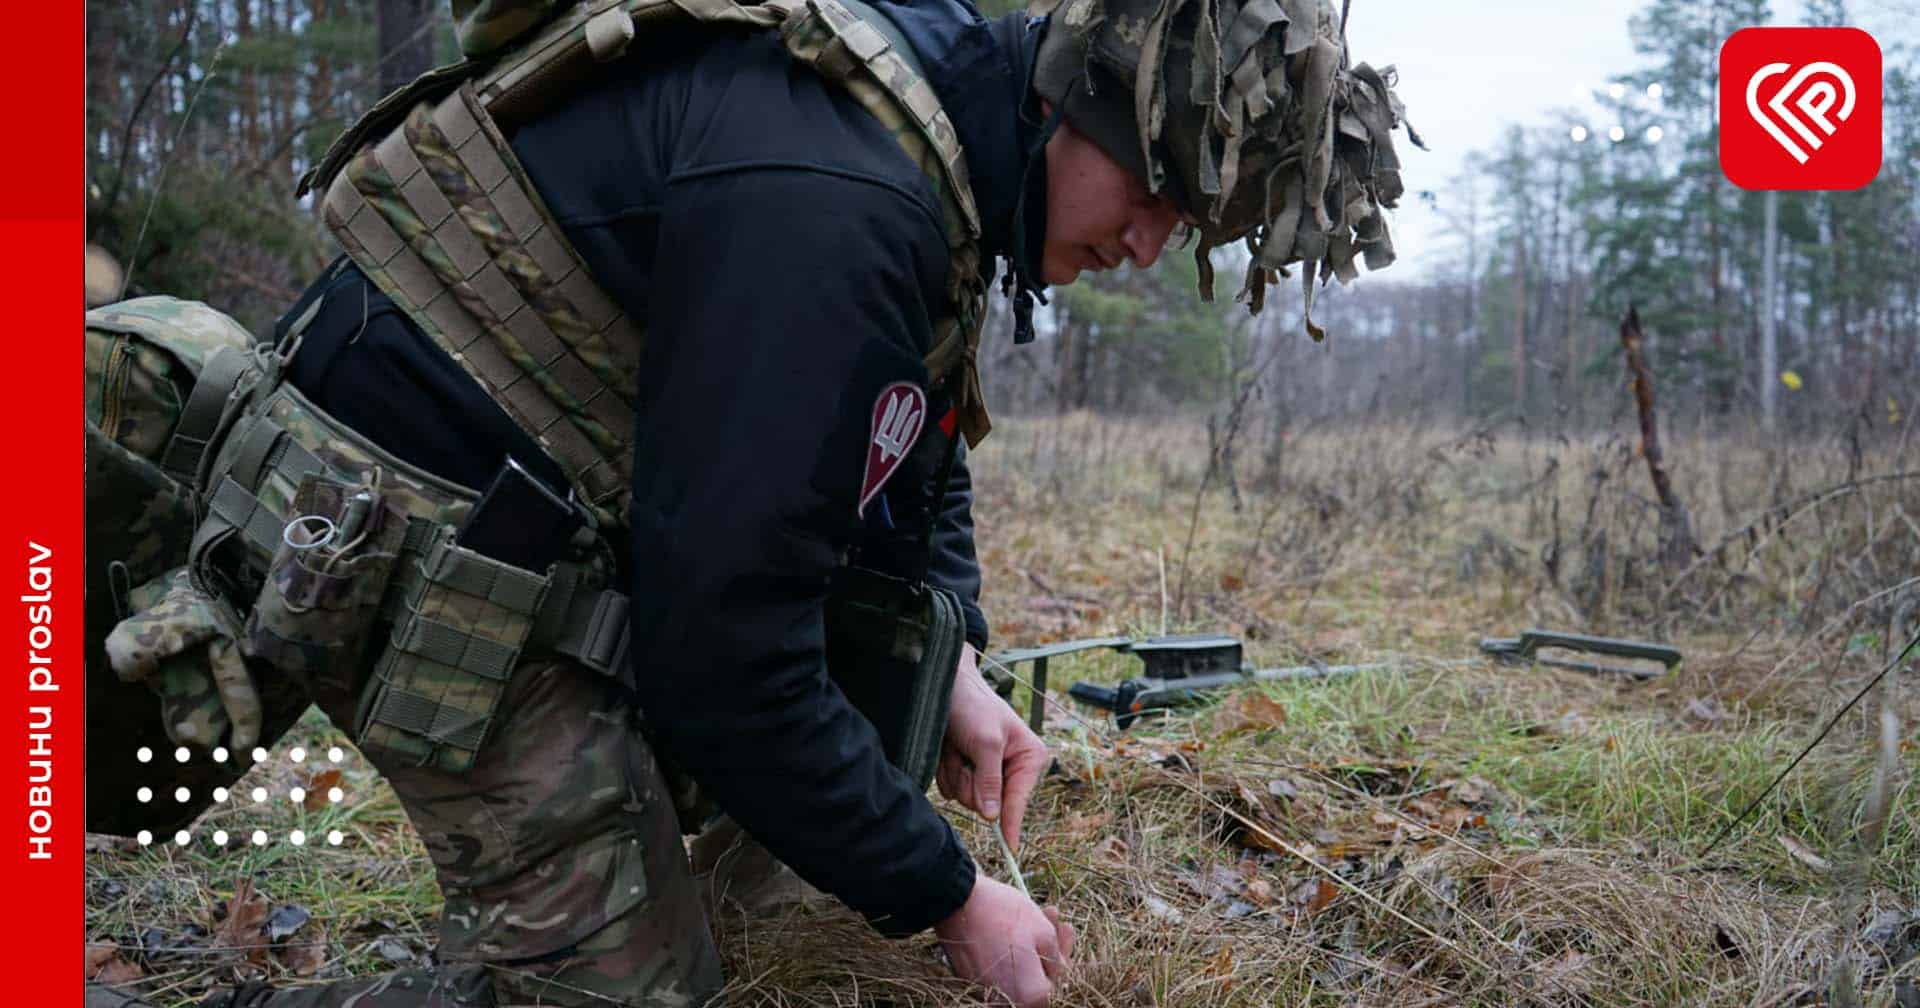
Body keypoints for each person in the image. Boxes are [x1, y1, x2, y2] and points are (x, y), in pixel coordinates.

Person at [88, 0, 1408, 1005]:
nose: (1144, 246)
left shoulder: (935, 136)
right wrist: (952, 899)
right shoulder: (838, 202)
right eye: (1154, 199)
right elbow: (723, 658)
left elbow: (909, 439)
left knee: (765, 845)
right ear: (1084, 117)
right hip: (380, 517)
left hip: (526, 510)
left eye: (1189, 229)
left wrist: (956, 664)